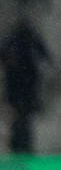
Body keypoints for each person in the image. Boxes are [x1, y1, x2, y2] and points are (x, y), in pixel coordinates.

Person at [1, 18, 51, 153]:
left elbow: (46, 57)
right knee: (19, 121)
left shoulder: (28, 43)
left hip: (26, 89)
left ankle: (23, 147)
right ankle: (18, 146)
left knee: (24, 122)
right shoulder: (14, 42)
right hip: (18, 90)